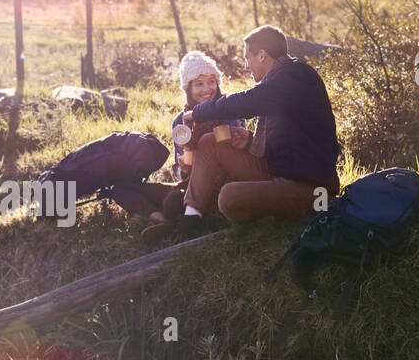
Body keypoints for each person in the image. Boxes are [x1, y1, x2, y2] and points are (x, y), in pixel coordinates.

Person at [141, 26, 341, 245]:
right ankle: (190, 221)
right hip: (280, 172)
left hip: (314, 188)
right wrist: (250, 141)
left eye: (248, 57)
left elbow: (248, 101)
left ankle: (281, 216)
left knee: (228, 197)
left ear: (262, 55)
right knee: (210, 142)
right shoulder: (280, 80)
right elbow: (289, 140)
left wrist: (199, 112)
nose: (246, 65)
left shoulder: (295, 76)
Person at [108, 50, 244, 222]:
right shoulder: (180, 120)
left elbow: (236, 158)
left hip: (225, 186)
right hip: (190, 186)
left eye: (211, 82)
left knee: (173, 203)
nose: (207, 89)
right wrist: (184, 169)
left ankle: (181, 216)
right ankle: (159, 219)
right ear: (188, 88)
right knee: (122, 190)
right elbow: (180, 172)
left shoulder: (228, 110)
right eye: (199, 84)